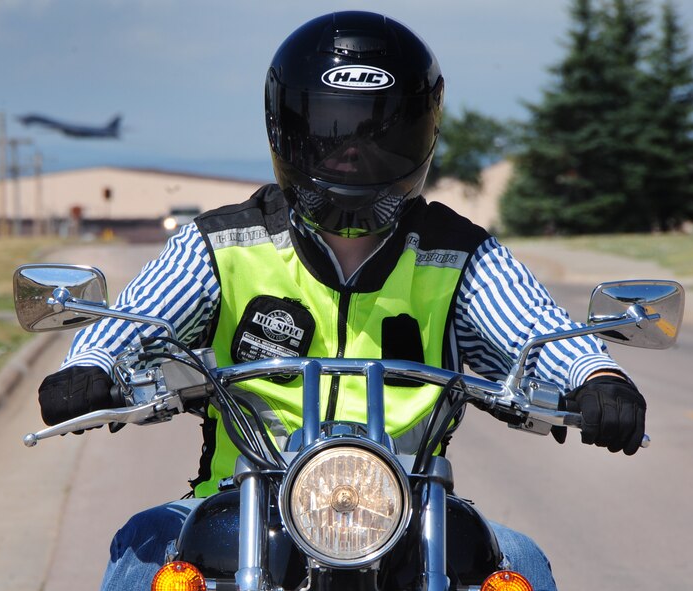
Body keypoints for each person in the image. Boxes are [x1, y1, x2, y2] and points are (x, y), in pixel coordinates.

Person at [37, 11, 646, 591]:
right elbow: (142, 316)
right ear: (289, 134)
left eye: (377, 135)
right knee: (144, 547)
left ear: (421, 134)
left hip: (410, 507)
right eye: (332, 134)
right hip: (239, 494)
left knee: (520, 564)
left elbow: (533, 326)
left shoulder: (457, 252)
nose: (352, 154)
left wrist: (596, 375)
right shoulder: (223, 244)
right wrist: (90, 365)